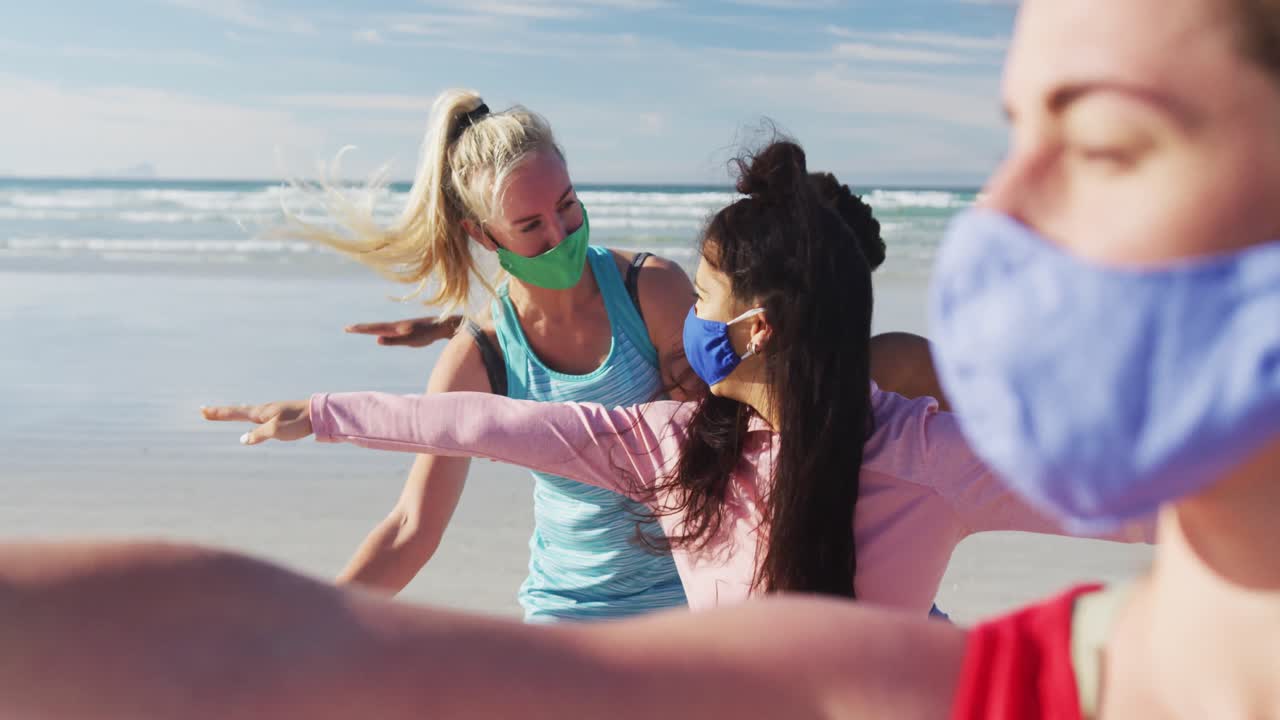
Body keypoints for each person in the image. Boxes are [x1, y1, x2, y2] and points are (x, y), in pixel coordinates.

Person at [9, 0, 1273, 715]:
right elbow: (465, 440)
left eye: (1103, 142)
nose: (999, 215)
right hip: (635, 630)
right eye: (1008, 132)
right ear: (483, 237)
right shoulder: (672, 445)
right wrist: (347, 405)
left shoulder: (872, 460)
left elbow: (1149, 515)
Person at [205, 140, 1144, 614]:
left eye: (705, 297)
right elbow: (480, 423)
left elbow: (1132, 498)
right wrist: (322, 413)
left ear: (758, 325)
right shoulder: (676, 443)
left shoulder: (909, 439)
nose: (685, 315)